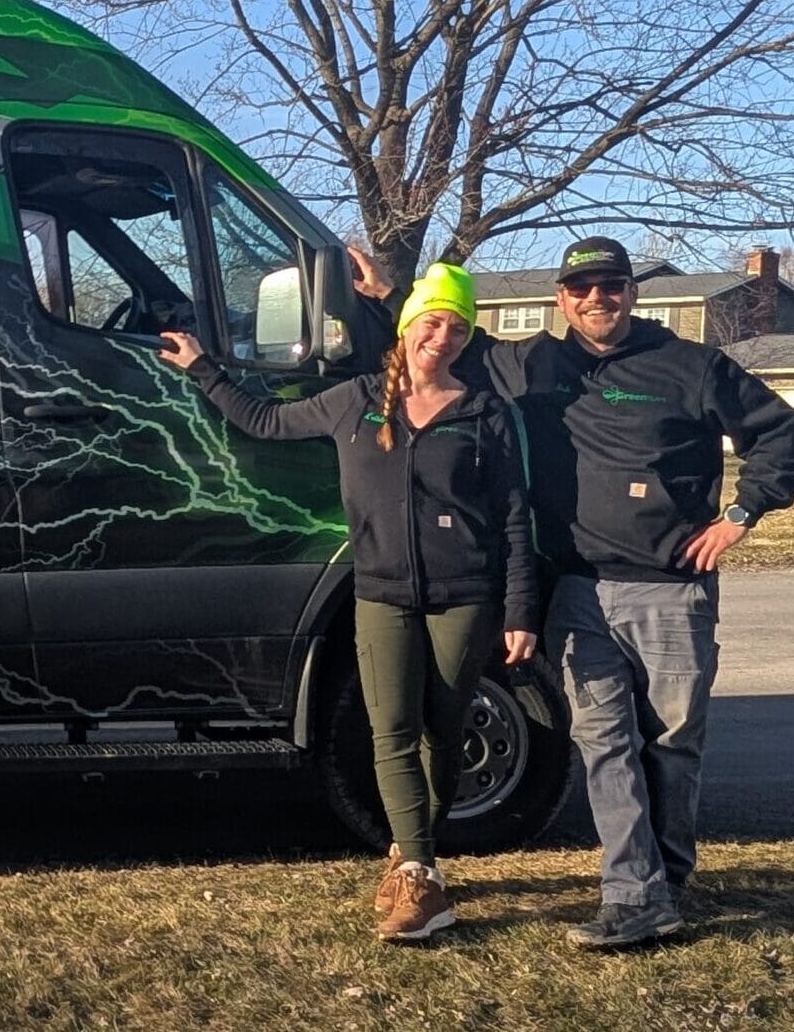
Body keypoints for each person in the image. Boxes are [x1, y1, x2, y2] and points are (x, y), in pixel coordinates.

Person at [350, 237, 794, 948]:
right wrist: (391, 293)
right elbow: (440, 340)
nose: (598, 298)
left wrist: (740, 516)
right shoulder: (534, 363)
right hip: (578, 590)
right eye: (583, 287)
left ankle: (666, 876)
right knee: (605, 744)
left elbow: (781, 435)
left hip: (671, 590)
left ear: (632, 292)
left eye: (612, 285)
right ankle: (632, 895)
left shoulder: (691, 367)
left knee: (672, 743)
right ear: (563, 299)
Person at [159, 262, 538, 942]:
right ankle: (420, 877)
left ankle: (414, 855)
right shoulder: (354, 399)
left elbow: (513, 517)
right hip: (381, 593)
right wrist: (202, 367)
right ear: (407, 326)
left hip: (467, 595)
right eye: (433, 321)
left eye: (457, 327)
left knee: (442, 731)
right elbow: (263, 419)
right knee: (391, 729)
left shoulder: (485, 414)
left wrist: (518, 610)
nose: (443, 336)